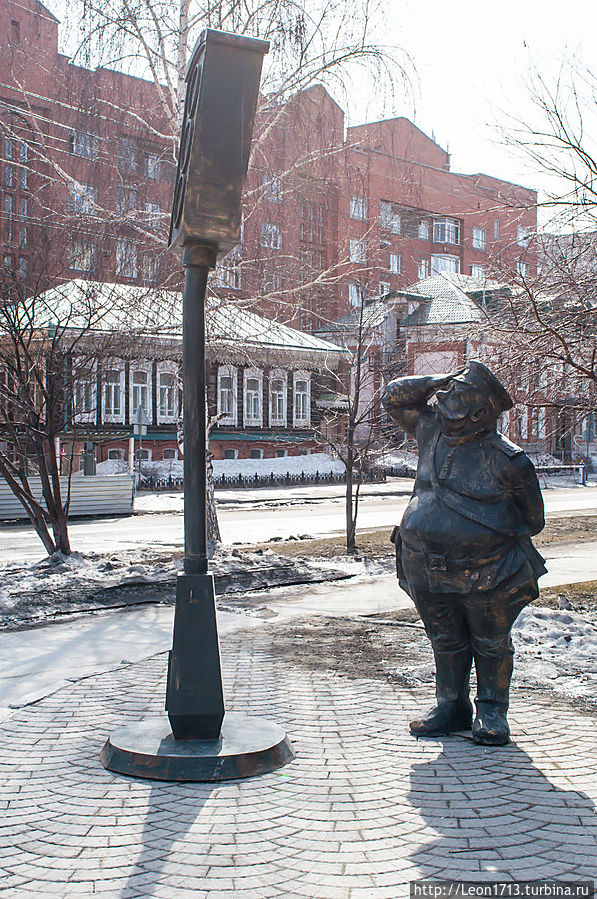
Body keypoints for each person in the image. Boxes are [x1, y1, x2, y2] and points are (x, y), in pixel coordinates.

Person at [382, 361, 546, 745]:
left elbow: (532, 520)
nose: (445, 394)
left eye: (457, 391)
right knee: (446, 640)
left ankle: (491, 710)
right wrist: (435, 379)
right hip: (425, 566)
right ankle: (450, 705)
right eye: (448, 388)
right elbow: (393, 396)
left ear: (479, 412)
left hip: (489, 572)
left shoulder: (510, 462)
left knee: (490, 642)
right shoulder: (430, 431)